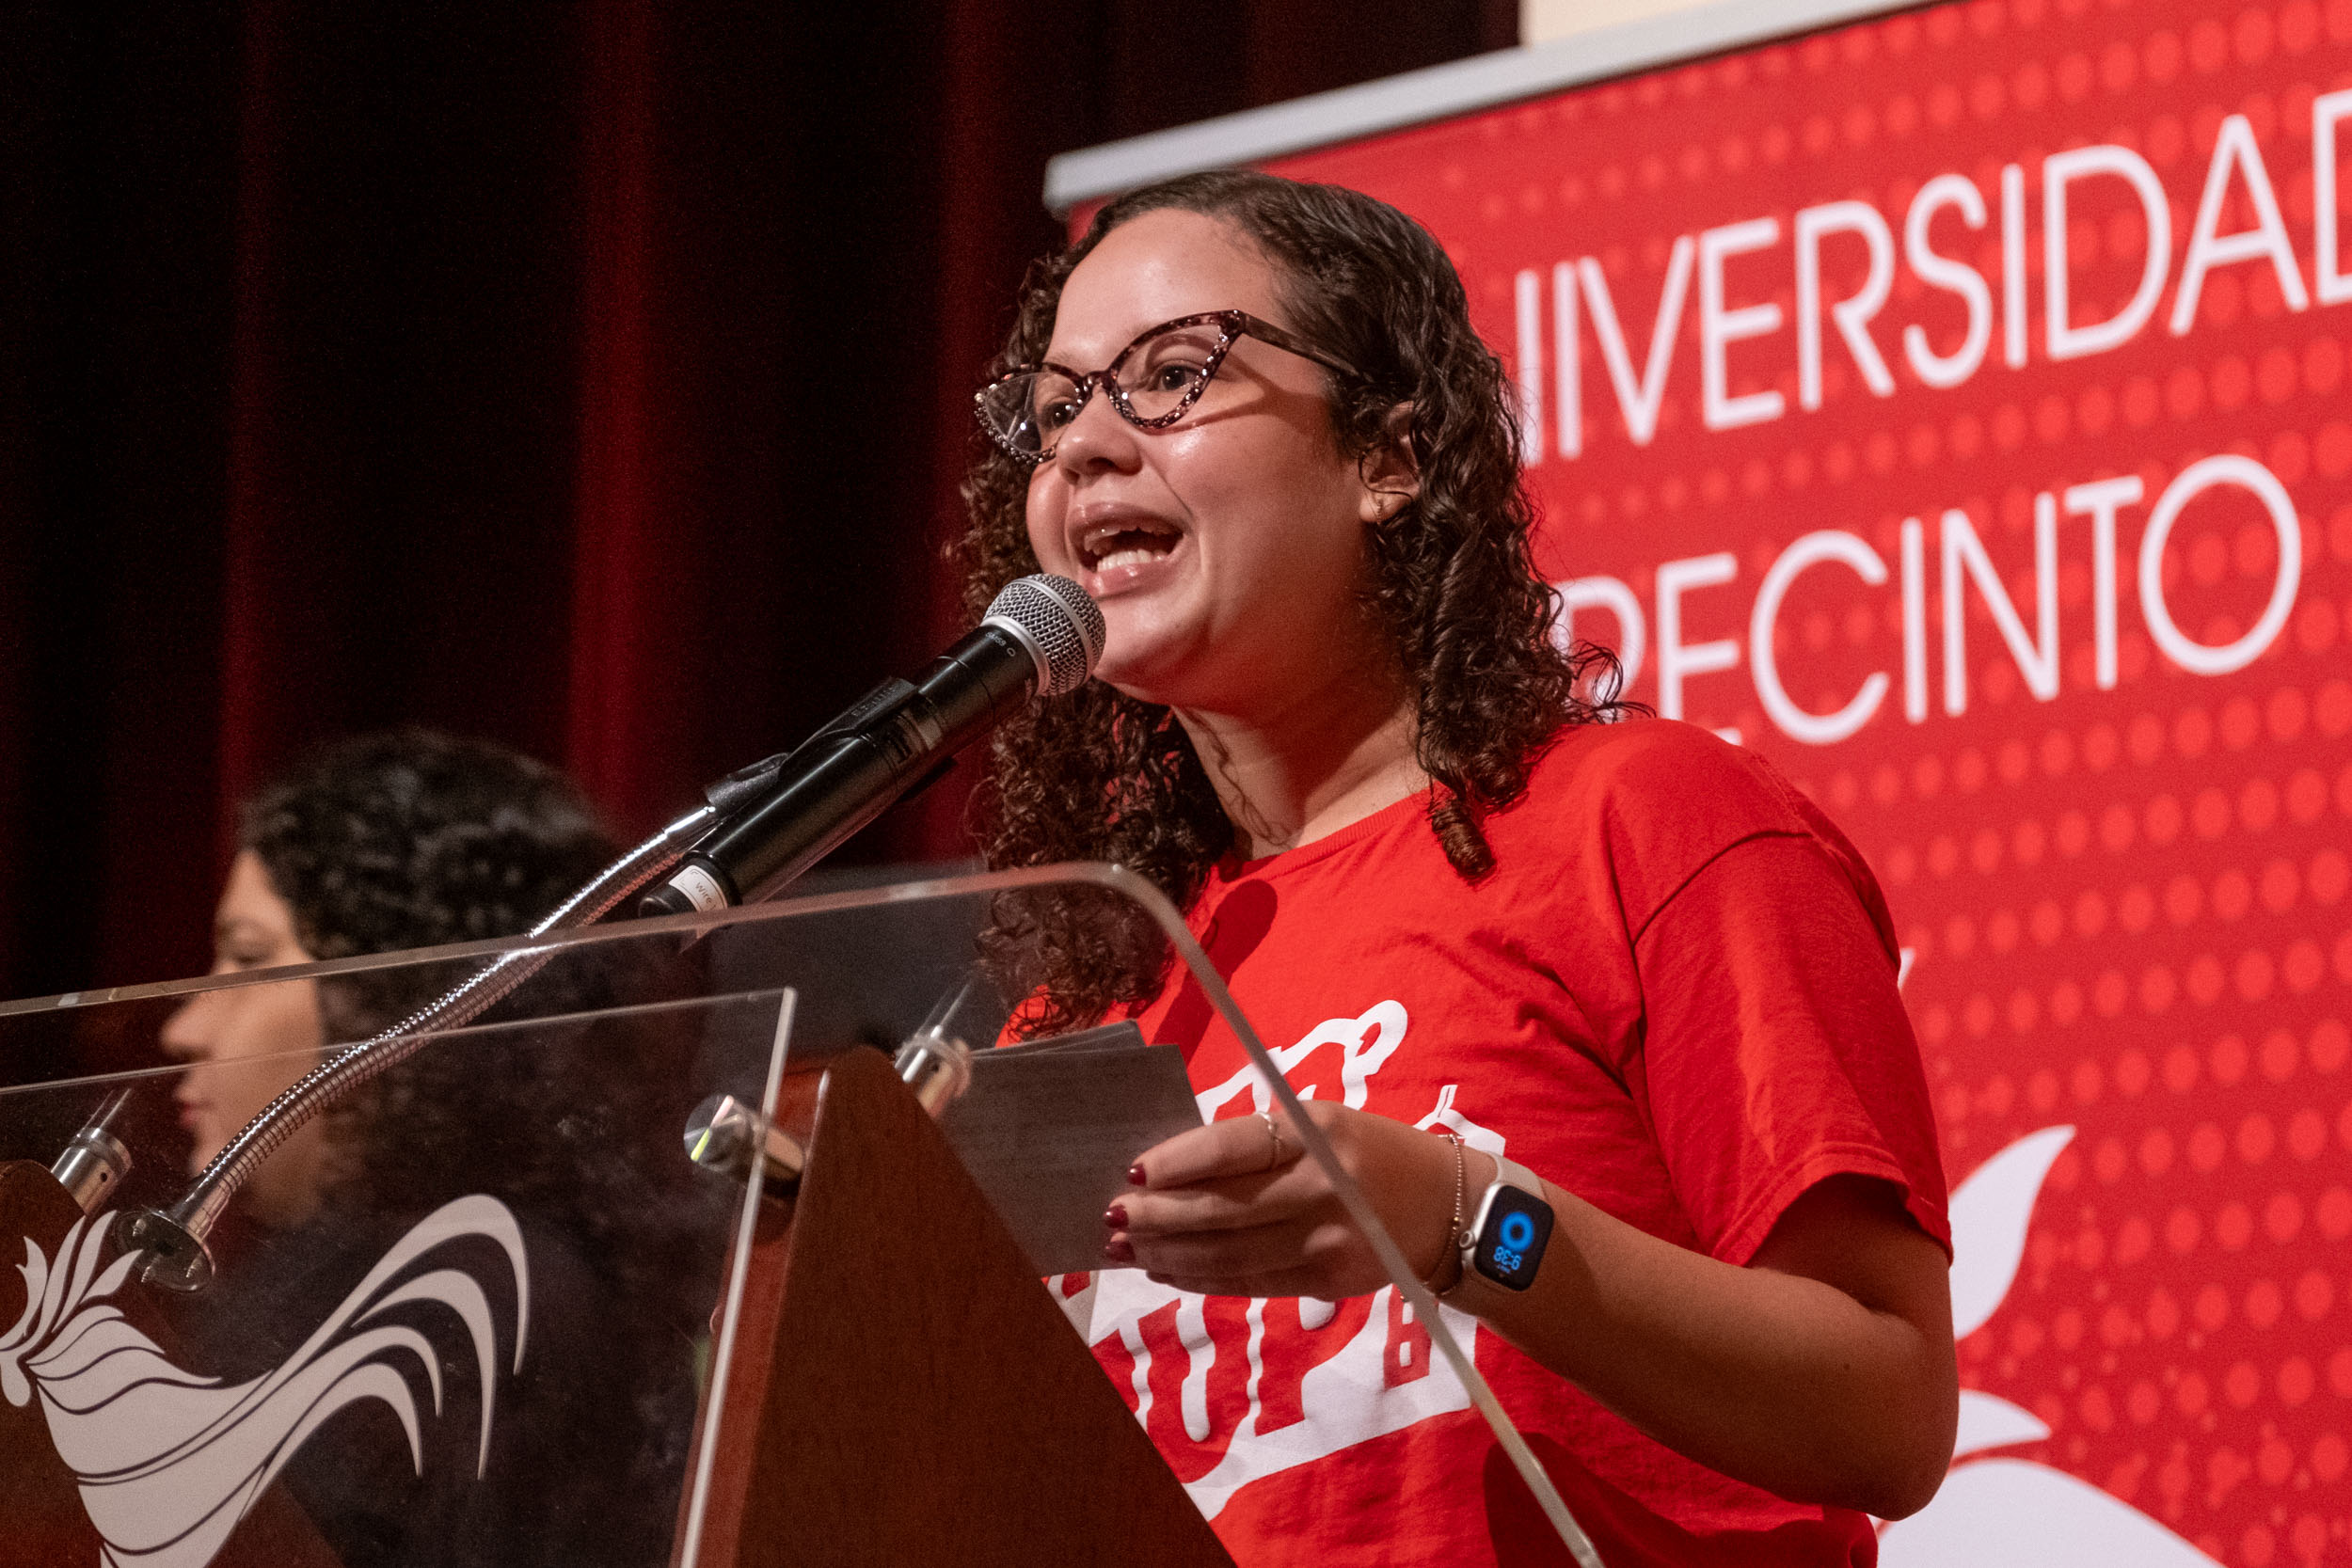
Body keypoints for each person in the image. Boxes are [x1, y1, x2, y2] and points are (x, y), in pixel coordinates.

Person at [961, 171, 1956, 1565]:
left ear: (1390, 456)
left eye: (1172, 376)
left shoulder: (1644, 823)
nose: (1084, 448)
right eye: (1057, 407)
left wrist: (1461, 1220)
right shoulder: (1089, 1004)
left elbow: (1886, 1407)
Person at [160, 730, 712, 1568]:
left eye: (248, 957)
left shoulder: (475, 1298)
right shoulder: (384, 1285)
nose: (184, 1026)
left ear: (400, 999)